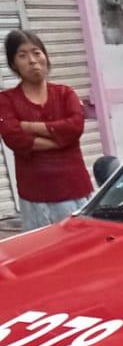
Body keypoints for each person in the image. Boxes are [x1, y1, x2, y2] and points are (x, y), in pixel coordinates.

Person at [0, 30, 93, 231]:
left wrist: (29, 126)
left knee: (83, 251)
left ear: (45, 56)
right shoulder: (6, 100)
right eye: (22, 55)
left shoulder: (65, 93)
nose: (32, 61)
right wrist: (60, 140)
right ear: (13, 64)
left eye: (36, 52)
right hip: (35, 197)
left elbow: (75, 126)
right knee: (43, 255)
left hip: (74, 189)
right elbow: (13, 137)